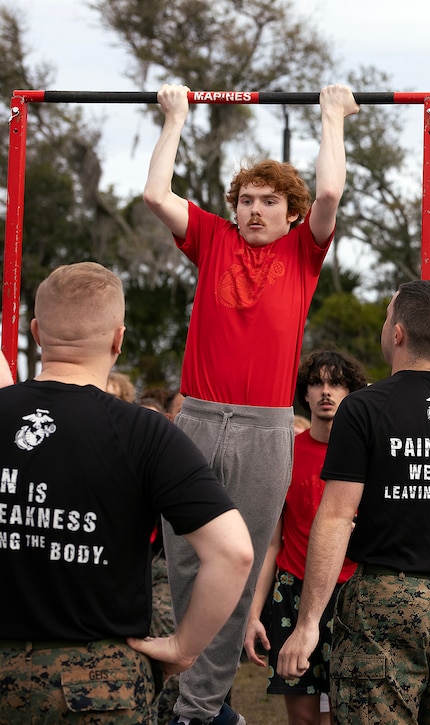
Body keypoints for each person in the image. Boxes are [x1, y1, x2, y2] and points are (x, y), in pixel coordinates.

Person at [144, 82, 359, 725]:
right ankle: (196, 695)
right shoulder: (211, 239)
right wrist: (176, 116)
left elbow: (328, 192)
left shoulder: (302, 252)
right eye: (246, 200)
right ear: (233, 209)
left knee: (240, 558)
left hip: (266, 428)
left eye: (269, 202)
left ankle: (200, 706)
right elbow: (156, 194)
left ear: (289, 214)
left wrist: (331, 118)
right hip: (200, 416)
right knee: (185, 555)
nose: (255, 210)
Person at [0, 262, 254, 723]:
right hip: (100, 688)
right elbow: (234, 552)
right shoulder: (146, 433)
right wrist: (184, 646)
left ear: (36, 332)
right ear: (119, 339)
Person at [277, 280, 430, 723]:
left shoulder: (365, 408)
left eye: (388, 316)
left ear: (399, 333)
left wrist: (308, 623)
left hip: (383, 602)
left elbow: (335, 517)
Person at [243, 350, 367, 725]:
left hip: (354, 593)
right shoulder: (287, 453)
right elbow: (271, 543)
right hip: (292, 593)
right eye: (317, 383)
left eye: (336, 383)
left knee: (352, 714)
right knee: (304, 719)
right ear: (305, 393)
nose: (326, 391)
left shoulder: (368, 455)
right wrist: (252, 613)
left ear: (351, 391)